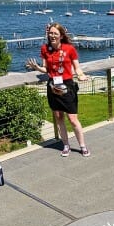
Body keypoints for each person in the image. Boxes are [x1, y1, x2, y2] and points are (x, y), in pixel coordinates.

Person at [25, 23, 91, 157]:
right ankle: (66, 145)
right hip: (53, 86)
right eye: (50, 33)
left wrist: (81, 75)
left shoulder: (70, 48)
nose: (52, 36)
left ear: (61, 35)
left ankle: (82, 145)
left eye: (55, 33)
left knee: (72, 118)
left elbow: (76, 67)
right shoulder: (45, 49)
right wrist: (37, 68)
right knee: (58, 117)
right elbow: (46, 69)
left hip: (67, 85)